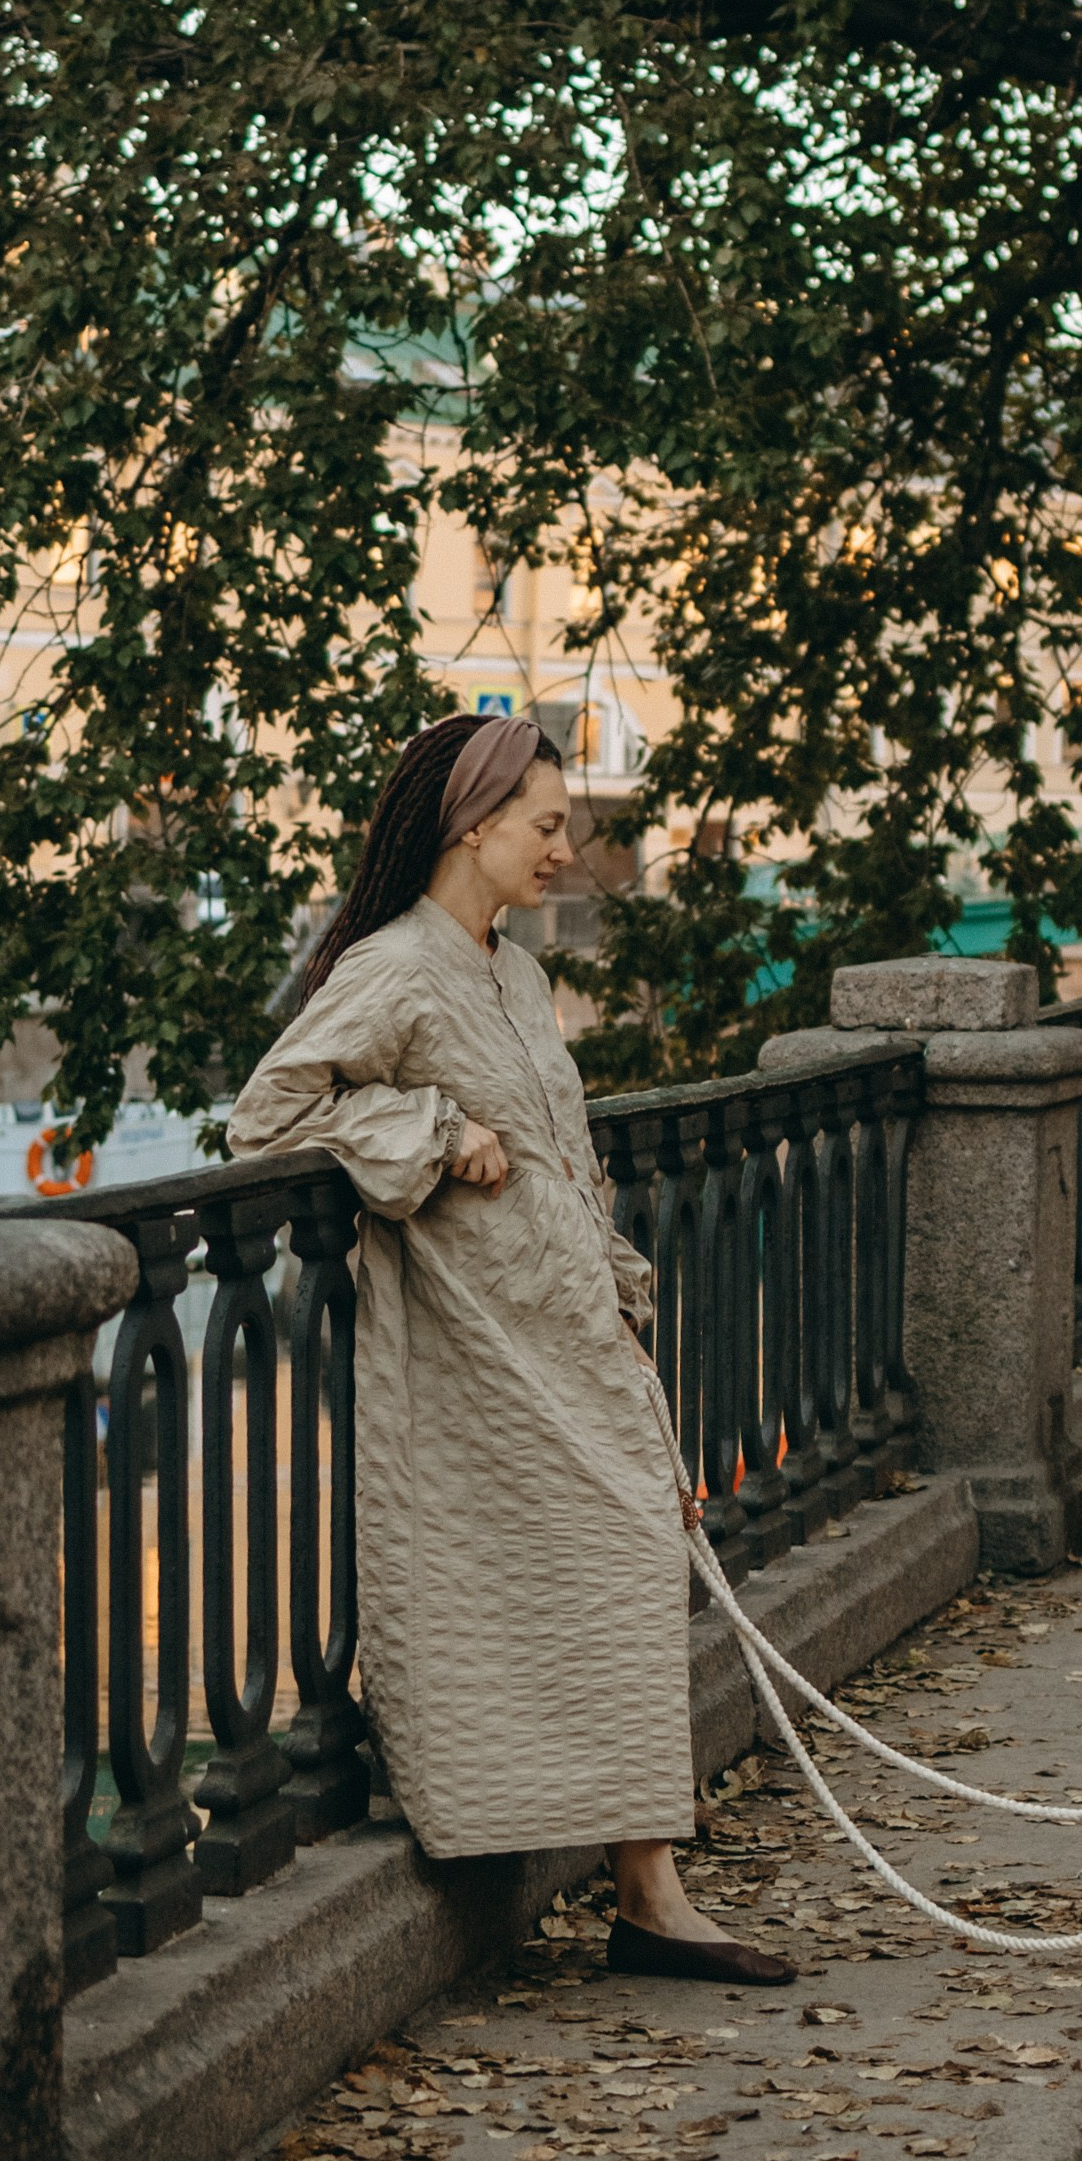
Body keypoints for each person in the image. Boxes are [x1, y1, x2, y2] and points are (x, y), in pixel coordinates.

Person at [227, 711, 793, 1984]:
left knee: (631, 1560)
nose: (564, 851)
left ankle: (647, 1890)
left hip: (571, 1332)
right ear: (472, 824)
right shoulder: (394, 967)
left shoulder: (520, 976)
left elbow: (560, 1157)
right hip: (478, 1353)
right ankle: (626, 1882)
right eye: (544, 826)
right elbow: (267, 1116)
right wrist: (427, 1129)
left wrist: (617, 1301)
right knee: (560, 1574)